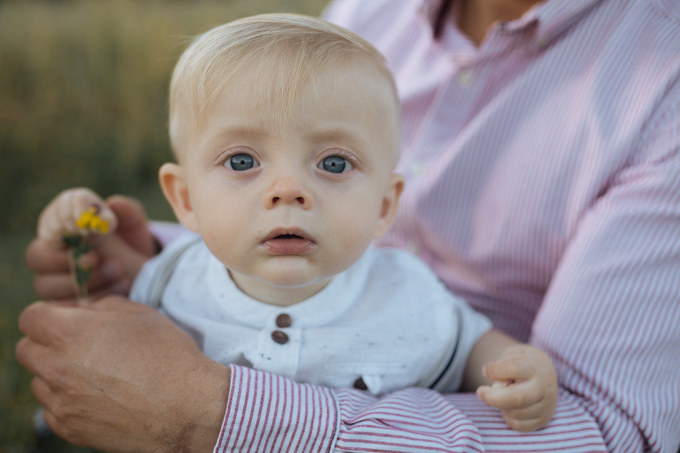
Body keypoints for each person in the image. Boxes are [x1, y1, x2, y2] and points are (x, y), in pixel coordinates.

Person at [17, 0, 680, 452]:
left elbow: (493, 356)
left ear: (387, 205)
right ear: (182, 197)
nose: (288, 189)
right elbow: (138, 318)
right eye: (243, 161)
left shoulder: (412, 298)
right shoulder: (369, 11)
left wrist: (519, 367)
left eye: (332, 163)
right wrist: (117, 260)